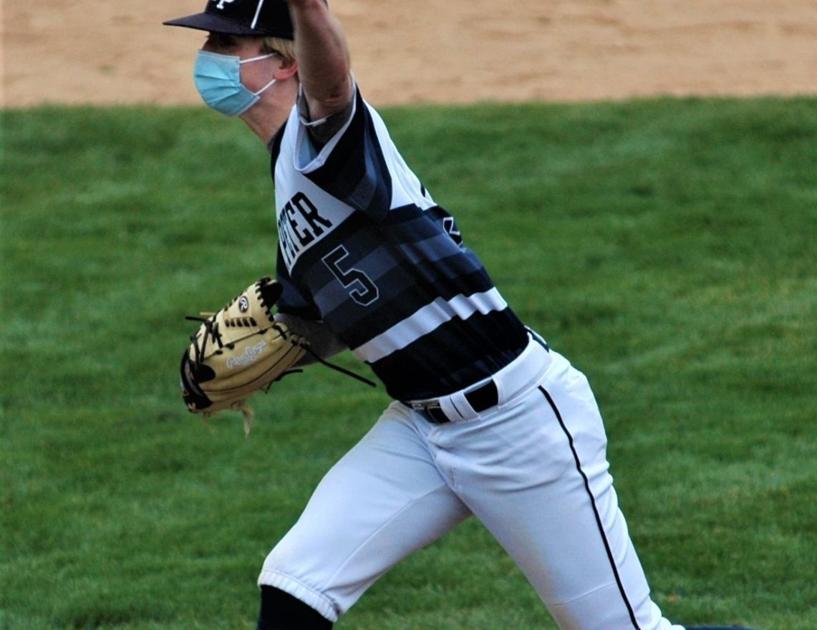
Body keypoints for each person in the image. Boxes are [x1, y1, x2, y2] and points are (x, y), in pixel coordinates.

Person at [164, 2, 752, 629]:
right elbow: (331, 320)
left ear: (281, 64)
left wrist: (308, 5)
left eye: (226, 44)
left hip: (517, 421)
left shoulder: (326, 138)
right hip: (420, 429)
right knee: (296, 582)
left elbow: (332, 82)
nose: (209, 58)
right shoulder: (287, 172)